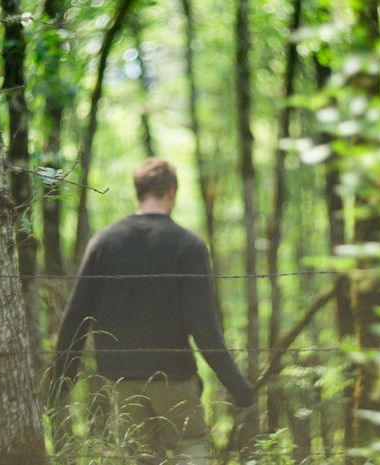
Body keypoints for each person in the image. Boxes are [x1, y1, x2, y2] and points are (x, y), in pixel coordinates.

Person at [52, 158, 256, 464]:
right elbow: (203, 327)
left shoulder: (104, 242)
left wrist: (60, 383)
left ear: (139, 192)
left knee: (142, 456)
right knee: (190, 445)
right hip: (173, 376)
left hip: (120, 378)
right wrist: (239, 387)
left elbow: (76, 316)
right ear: (171, 191)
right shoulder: (188, 245)